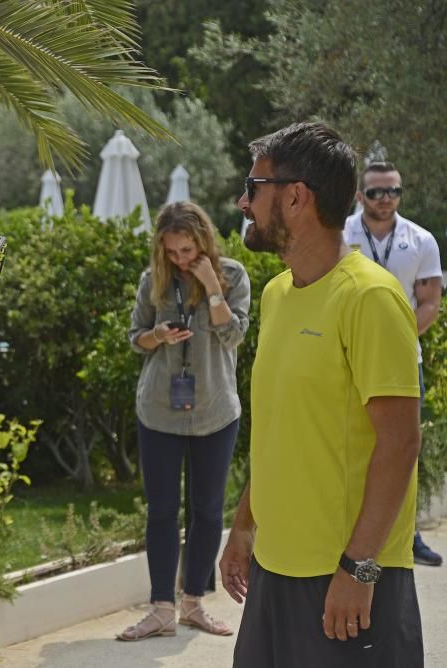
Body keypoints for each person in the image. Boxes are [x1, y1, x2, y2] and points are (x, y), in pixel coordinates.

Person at [221, 122, 424, 667]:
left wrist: (359, 568)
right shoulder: (276, 294)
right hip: (276, 571)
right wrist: (244, 524)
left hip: (347, 578)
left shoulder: (371, 298)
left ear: (295, 196)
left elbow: (401, 443)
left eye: (253, 186)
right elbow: (282, 428)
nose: (243, 201)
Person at [119, 201, 251, 641]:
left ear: (204, 240)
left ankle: (193, 603)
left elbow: (233, 335)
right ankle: (161, 608)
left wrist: (211, 285)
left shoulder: (232, 275)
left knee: (208, 511)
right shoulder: (152, 280)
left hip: (215, 410)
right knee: (161, 512)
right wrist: (157, 335)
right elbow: (135, 337)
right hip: (159, 409)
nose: (180, 259)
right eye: (172, 252)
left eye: (188, 250)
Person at [343, 161, 444, 567]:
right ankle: (348, 530)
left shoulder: (420, 239)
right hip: (344, 359)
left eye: (393, 191)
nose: (385, 199)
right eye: (376, 192)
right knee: (348, 441)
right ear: (359, 196)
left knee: (401, 447)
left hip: (404, 359)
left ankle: (408, 535)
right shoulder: (341, 234)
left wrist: (392, 345)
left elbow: (430, 304)